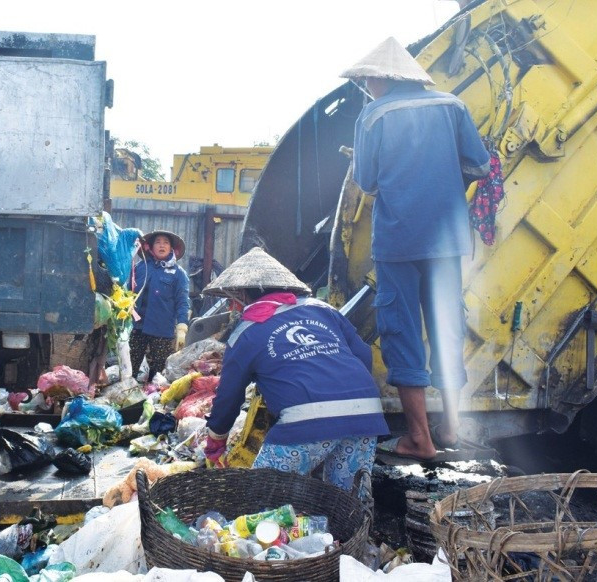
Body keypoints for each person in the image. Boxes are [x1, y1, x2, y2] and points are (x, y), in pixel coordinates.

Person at [343, 37, 491, 461]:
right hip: (447, 241)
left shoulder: (373, 115)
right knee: (447, 325)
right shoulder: (453, 106)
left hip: (398, 240)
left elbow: (367, 182)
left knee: (402, 329)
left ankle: (419, 438)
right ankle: (452, 426)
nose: (367, 86)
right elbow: (480, 166)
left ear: (380, 78)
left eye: (368, 80)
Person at [202, 247, 389, 496]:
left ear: (243, 294)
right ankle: (351, 534)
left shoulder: (246, 333)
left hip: (305, 420)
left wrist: (216, 441)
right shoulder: (325, 310)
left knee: (261, 504)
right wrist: (346, 392)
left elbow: (229, 397)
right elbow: (363, 354)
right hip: (365, 412)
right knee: (349, 501)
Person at [129, 230, 190, 383]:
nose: (162, 245)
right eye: (158, 242)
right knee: (129, 370)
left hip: (162, 330)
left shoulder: (178, 273)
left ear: (171, 248)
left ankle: (154, 402)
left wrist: (182, 328)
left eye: (166, 242)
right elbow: (126, 293)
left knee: (159, 376)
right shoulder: (140, 268)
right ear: (150, 247)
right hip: (136, 327)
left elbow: (183, 301)